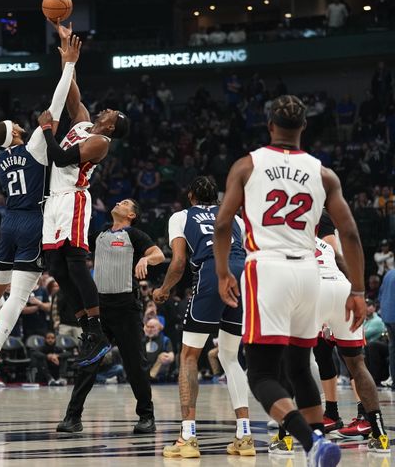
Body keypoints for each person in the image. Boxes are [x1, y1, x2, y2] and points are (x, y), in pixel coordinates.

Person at [213, 95, 368, 465]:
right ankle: (319, 447)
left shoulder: (247, 165)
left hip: (267, 268)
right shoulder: (323, 173)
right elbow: (350, 234)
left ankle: (310, 441)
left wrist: (222, 273)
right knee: (299, 367)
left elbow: (222, 224)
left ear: (269, 126)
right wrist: (359, 290)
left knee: (262, 374)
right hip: (309, 271)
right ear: (304, 127)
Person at [0, 34, 79, 392]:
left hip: (7, 221)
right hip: (30, 221)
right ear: (15, 132)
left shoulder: (0, 158)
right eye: (16, 124)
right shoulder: (34, 147)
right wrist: (69, 62)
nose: (22, 125)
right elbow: (57, 105)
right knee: (19, 296)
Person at [38, 25, 129, 368]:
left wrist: (47, 129)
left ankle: (98, 327)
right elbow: (69, 91)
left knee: (76, 264)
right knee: (56, 268)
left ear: (112, 127)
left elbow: (60, 159)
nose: (106, 111)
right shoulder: (84, 121)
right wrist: (67, 56)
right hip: (54, 199)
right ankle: (88, 329)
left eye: (112, 114)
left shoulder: (100, 143)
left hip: (74, 199)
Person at [153, 177, 254, 458]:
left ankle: (187, 436)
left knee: (188, 356)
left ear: (191, 196)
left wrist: (163, 290)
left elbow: (179, 262)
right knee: (231, 357)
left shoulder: (181, 216)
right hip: (243, 276)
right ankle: (244, 436)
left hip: (212, 272)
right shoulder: (235, 218)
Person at [57, 198, 163, 434]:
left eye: (125, 203)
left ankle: (147, 417)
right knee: (88, 363)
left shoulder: (134, 234)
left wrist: (146, 258)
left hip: (126, 308)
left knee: (136, 366)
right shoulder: (100, 235)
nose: (118, 202)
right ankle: (73, 417)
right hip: (100, 309)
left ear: (132, 215)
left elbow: (159, 254)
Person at [310, 213, 389, 449]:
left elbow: (335, 251)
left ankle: (364, 415)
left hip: (323, 286)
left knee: (347, 359)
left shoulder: (317, 219)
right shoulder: (308, 220)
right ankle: (334, 414)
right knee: (329, 356)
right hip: (340, 285)